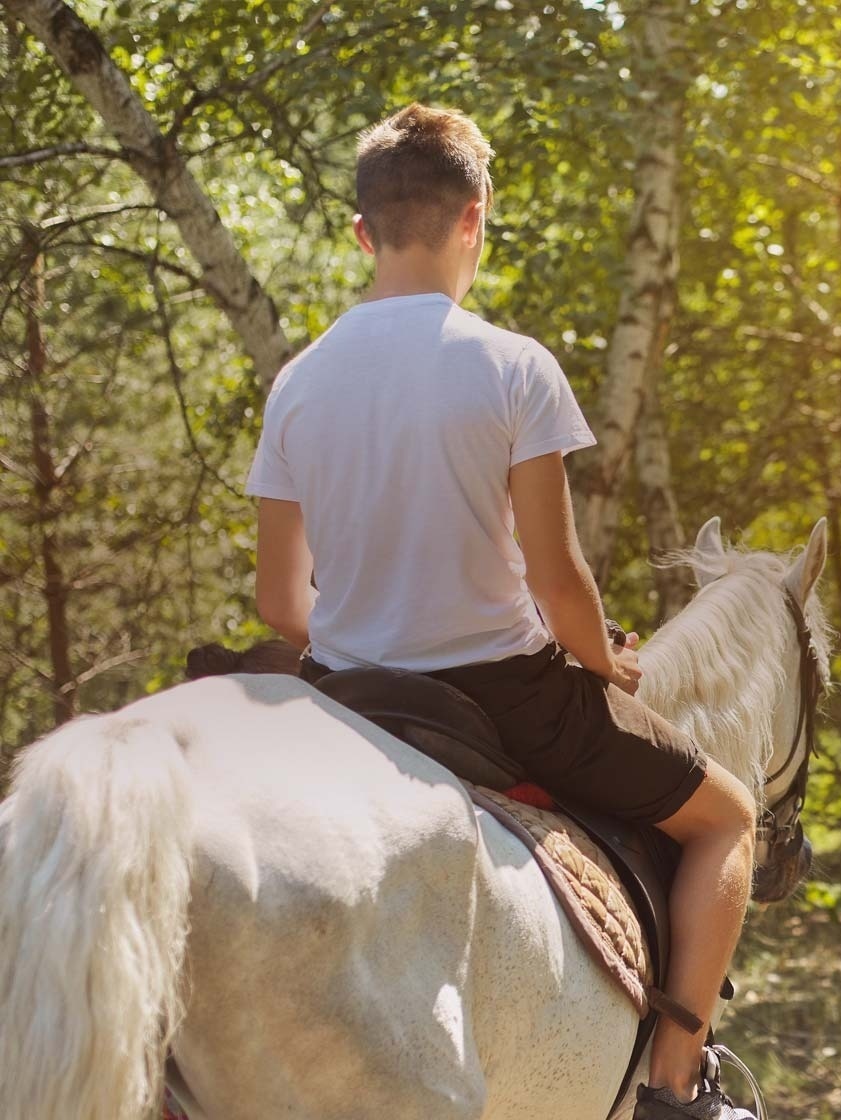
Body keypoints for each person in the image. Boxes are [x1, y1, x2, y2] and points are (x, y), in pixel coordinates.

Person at [247, 105, 759, 1120]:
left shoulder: (298, 384)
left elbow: (276, 600)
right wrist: (600, 664)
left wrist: (368, 629)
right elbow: (560, 580)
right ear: (473, 219)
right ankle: (673, 1089)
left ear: (362, 232)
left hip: (346, 697)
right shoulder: (512, 365)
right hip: (506, 689)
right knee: (728, 819)